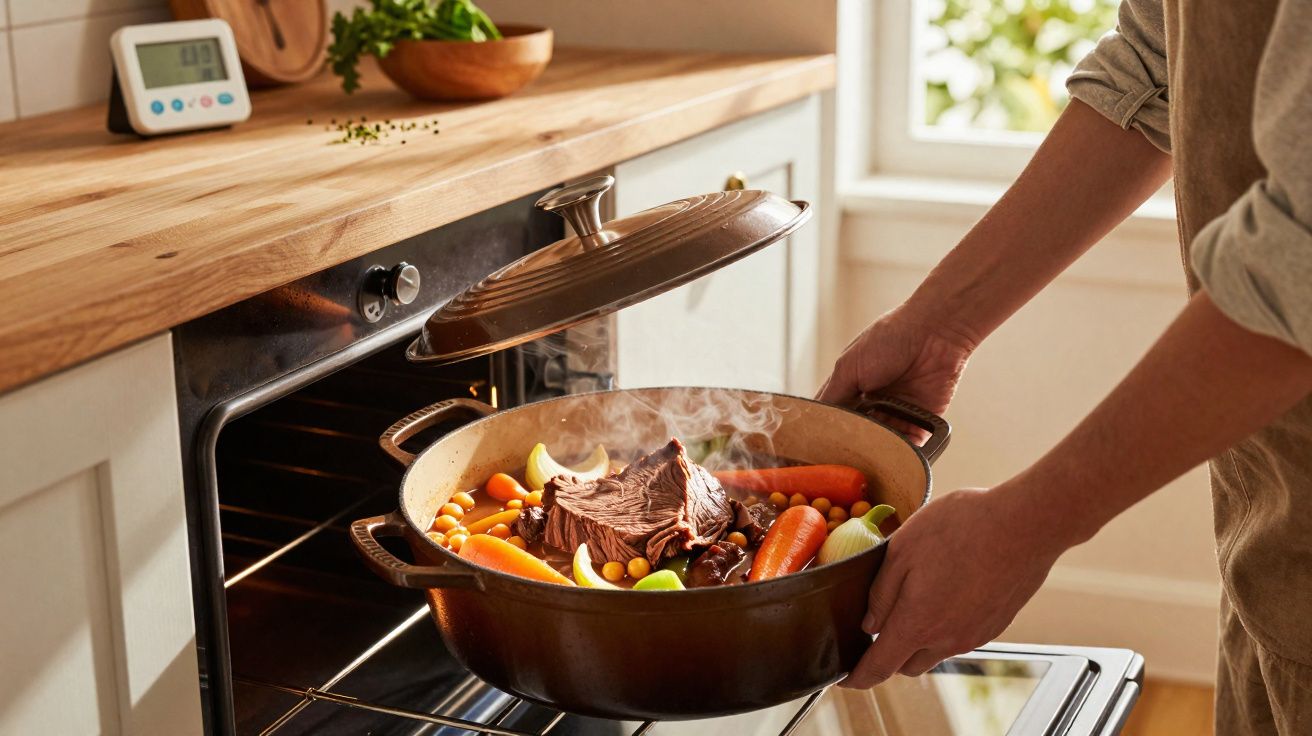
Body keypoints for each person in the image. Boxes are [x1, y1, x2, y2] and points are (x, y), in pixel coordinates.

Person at [819, 1, 1312, 732]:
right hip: (1275, 563)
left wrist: (1026, 524)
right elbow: (1154, 65)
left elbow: (1298, 254)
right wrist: (940, 327)